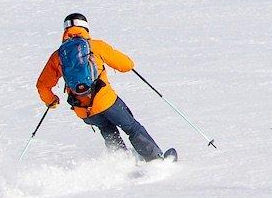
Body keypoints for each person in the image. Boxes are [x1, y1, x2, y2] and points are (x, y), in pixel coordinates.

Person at [36, 12, 174, 161]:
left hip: (83, 110)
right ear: (85, 27)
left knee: (107, 129)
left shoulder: (58, 56)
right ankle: (155, 159)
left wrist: (51, 100)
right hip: (106, 101)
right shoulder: (96, 46)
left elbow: (42, 85)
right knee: (131, 127)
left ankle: (122, 162)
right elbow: (126, 65)